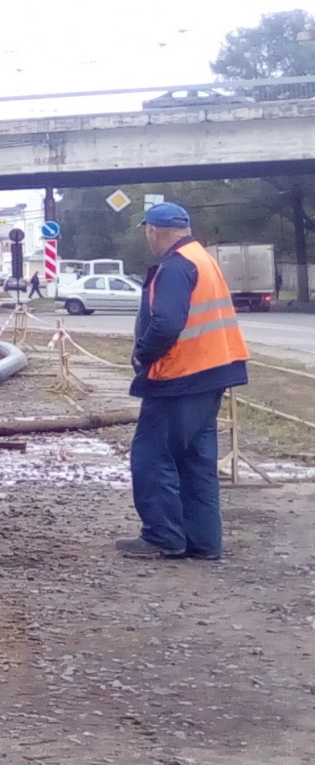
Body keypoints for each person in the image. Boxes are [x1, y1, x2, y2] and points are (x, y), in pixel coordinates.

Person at [119, 202, 249, 562]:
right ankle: (204, 542)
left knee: (153, 456)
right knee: (196, 460)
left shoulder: (175, 267)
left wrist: (142, 354)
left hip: (180, 376)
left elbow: (167, 324)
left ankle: (163, 536)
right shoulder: (202, 258)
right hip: (213, 372)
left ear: (153, 231)